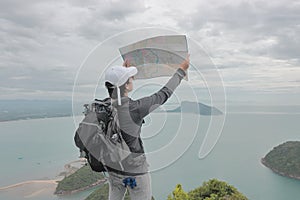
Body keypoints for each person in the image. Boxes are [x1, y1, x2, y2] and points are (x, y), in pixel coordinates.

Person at [104, 55, 190, 200]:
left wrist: (121, 73)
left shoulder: (106, 106)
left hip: (114, 169)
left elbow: (116, 85)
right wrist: (181, 70)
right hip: (135, 172)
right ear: (125, 85)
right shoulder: (134, 109)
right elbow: (163, 94)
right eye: (130, 78)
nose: (133, 80)